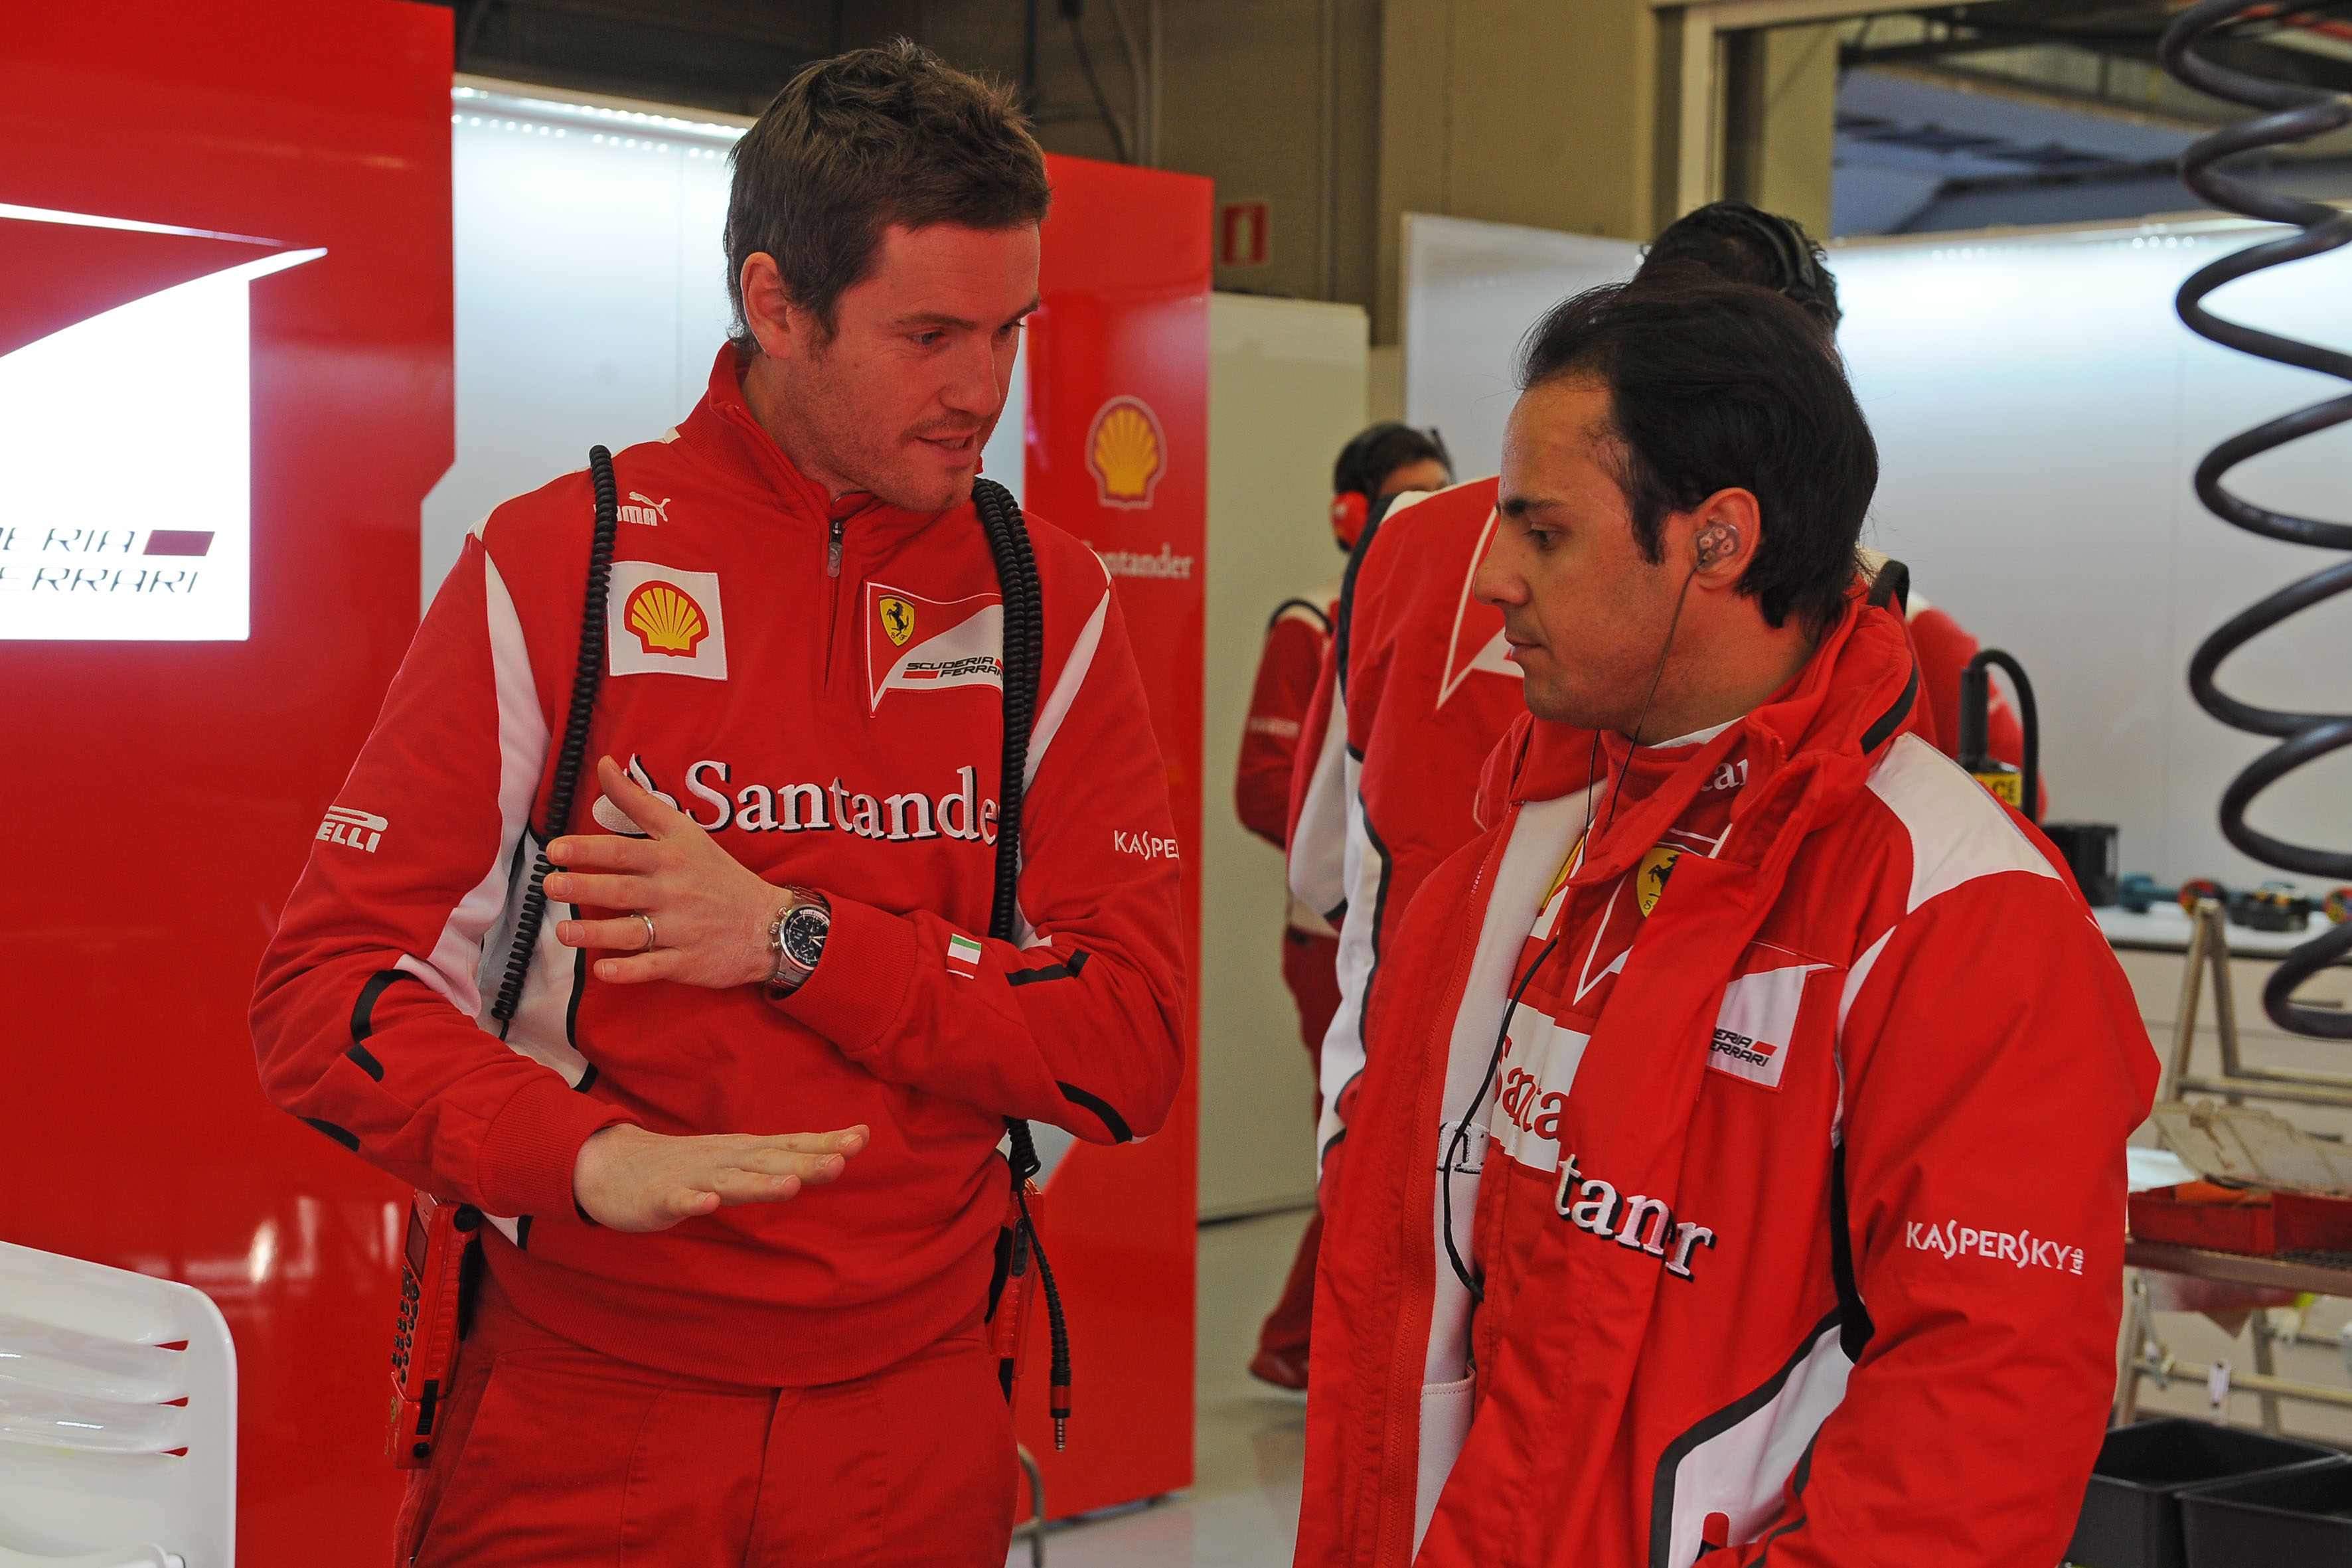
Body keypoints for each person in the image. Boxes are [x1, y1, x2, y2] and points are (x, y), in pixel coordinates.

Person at [250, 42, 1185, 1564]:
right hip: (584, 1392)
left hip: (912, 1403)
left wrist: (797, 938)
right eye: (929, 334)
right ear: (776, 303)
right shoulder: (562, 560)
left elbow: (1127, 1044)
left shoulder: (1044, 602)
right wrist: (572, 1153)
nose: (983, 390)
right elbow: (325, 990)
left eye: (1009, 330)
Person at [1295, 276, 2154, 1566]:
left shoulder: (1960, 911)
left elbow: (1967, 1456)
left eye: (1543, 532)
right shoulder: (1534, 839)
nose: (1493, 579)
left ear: (1717, 541)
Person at [1235, 422, 1450, 1390]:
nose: (1428, 516)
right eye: (1408, 497)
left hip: (1422, 936)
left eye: (1441, 496)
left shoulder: (1460, 616)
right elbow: (1262, 787)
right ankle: (1306, 1344)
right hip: (1336, 943)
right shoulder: (1312, 623)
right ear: (1350, 515)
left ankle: (1306, 1341)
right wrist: (1373, 861)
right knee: (1366, 1143)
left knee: (1390, 1145)